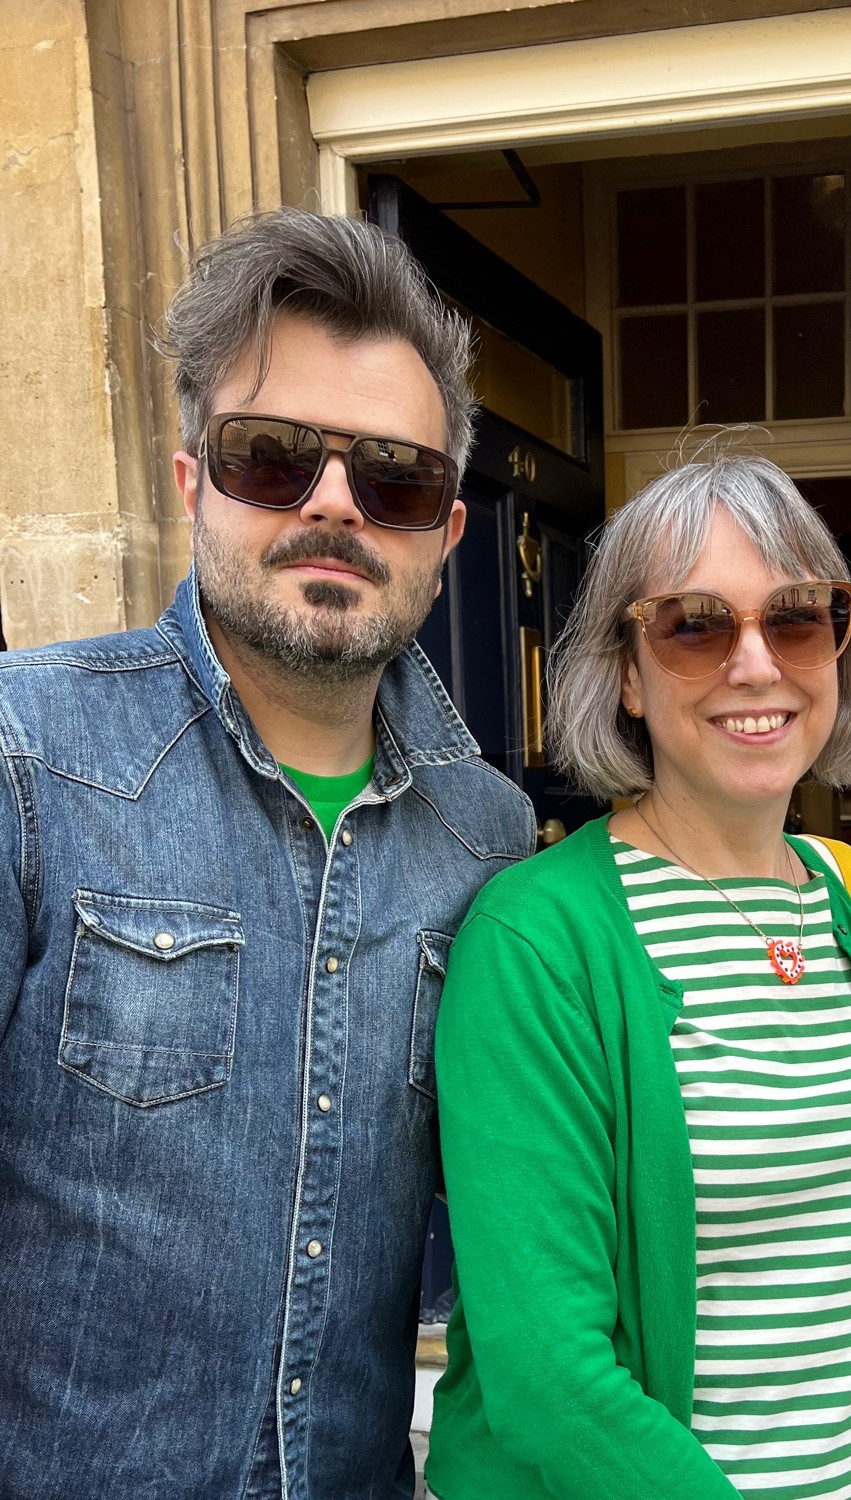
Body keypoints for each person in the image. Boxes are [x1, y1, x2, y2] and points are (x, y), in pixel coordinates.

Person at [0, 208, 535, 1499]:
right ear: (192, 485)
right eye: (272, 458)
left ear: (446, 536)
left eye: (394, 478)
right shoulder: (27, 756)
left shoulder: (490, 835)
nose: (335, 503)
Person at [425, 450, 851, 1500]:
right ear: (626, 675)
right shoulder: (536, 941)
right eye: (694, 626)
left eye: (794, 619)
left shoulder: (845, 893)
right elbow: (546, 1378)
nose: (756, 665)